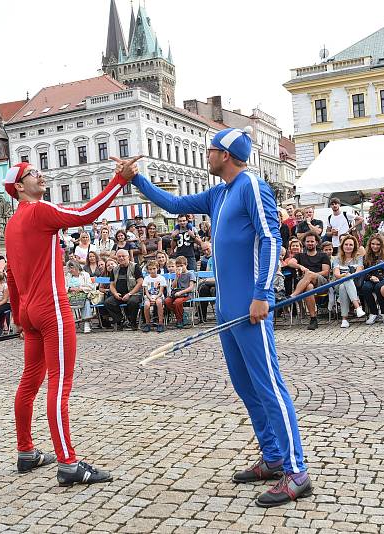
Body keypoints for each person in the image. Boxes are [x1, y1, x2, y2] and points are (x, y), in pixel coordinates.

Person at [123, 127, 312, 507]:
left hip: (249, 309)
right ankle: (273, 457)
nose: (206, 155)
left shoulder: (252, 186)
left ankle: (297, 470)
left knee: (269, 385)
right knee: (246, 388)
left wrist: (262, 294)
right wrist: (137, 180)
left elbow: (272, 239)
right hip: (228, 311)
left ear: (226, 154)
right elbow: (175, 205)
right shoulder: (219, 193)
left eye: (210, 150)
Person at [2, 158, 133, 487]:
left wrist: (19, 316)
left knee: (29, 383)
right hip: (52, 309)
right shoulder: (38, 210)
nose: (40, 174)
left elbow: (12, 276)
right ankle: (68, 463)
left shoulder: (12, 223)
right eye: (33, 173)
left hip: (31, 311)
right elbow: (85, 215)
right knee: (59, 386)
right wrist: (119, 179)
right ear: (18, 186)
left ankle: (26, 451)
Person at [291, 232, 331, 331]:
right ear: (304, 243)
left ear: (316, 242)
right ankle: (313, 319)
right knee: (309, 287)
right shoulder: (300, 255)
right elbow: (290, 262)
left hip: (321, 283)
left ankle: (293, 296)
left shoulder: (323, 255)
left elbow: (326, 272)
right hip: (306, 285)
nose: (310, 243)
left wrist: (312, 275)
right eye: (308, 241)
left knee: (309, 274)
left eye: (312, 241)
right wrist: (300, 266)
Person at [104, 249, 144, 330]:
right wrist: (115, 293)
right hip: (119, 294)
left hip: (134, 293)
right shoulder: (114, 269)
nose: (121, 258)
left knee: (132, 302)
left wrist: (129, 294)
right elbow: (111, 284)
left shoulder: (135, 267)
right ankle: (120, 320)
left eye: (123, 256)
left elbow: (140, 282)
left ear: (128, 257)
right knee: (108, 302)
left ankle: (132, 322)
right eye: (119, 256)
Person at [332, 235, 366, 328]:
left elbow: (359, 271)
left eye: (351, 245)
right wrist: (346, 275)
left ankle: (344, 319)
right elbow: (337, 275)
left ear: (354, 246)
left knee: (345, 286)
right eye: (346, 244)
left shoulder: (359, 258)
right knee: (344, 283)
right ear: (342, 246)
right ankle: (357, 307)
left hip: (355, 284)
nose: (348, 246)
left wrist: (349, 276)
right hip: (338, 284)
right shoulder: (337, 259)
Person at [360, 234, 384, 325]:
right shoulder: (366, 256)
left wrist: (380, 278)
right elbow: (364, 272)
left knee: (379, 287)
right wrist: (370, 277)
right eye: (373, 244)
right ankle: (373, 312)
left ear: (382, 245)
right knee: (366, 288)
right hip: (371, 278)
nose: (375, 246)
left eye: (378, 244)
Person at [164, 256, 195, 328]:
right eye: (178, 266)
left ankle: (179, 320)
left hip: (187, 294)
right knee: (167, 301)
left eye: (181, 266)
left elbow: (191, 287)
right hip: (177, 293)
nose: (180, 267)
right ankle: (182, 314)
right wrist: (177, 277)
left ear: (186, 265)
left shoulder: (190, 274)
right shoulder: (177, 274)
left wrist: (181, 292)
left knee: (177, 302)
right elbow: (173, 286)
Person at [64, 261, 94, 334]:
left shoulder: (85, 275)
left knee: (86, 302)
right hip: (71, 295)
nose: (71, 270)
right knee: (63, 303)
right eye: (69, 268)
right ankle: (68, 325)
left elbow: (90, 286)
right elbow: (63, 287)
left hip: (82, 294)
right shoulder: (67, 276)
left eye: (72, 268)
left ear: (77, 267)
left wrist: (80, 288)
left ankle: (86, 323)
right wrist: (70, 288)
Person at [141, 259, 167, 332]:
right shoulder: (146, 278)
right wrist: (150, 298)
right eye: (150, 269)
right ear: (148, 270)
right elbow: (146, 292)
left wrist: (155, 298)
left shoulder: (161, 278)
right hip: (149, 296)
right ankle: (147, 323)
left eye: (154, 268)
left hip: (158, 296)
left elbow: (161, 292)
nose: (152, 271)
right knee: (146, 305)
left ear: (157, 268)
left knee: (159, 302)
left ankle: (160, 323)